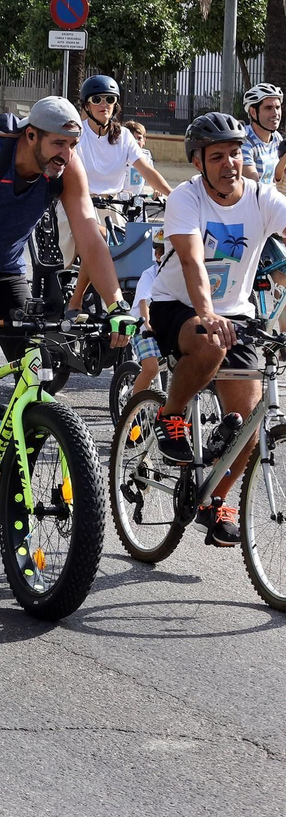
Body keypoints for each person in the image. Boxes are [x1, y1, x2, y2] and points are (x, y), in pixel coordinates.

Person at [0, 96, 134, 477]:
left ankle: (14, 477)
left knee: (37, 362)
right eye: (58, 144)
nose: (66, 155)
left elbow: (89, 237)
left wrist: (116, 305)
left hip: (3, 266)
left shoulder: (66, 169)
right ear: (30, 135)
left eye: (72, 146)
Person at [140, 113, 286, 547]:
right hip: (178, 306)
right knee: (207, 344)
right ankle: (170, 415)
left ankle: (213, 500)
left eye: (236, 153)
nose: (230, 163)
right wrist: (206, 313)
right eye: (218, 156)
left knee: (250, 425)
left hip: (236, 314)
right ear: (199, 162)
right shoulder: (186, 198)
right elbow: (191, 262)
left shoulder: (263, 198)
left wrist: (223, 316)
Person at [64, 75, 174, 312]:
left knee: (140, 243)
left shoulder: (123, 136)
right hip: (78, 205)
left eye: (110, 99)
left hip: (113, 208)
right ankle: (76, 299)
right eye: (97, 99)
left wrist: (172, 195)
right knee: (100, 239)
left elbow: (147, 171)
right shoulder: (77, 135)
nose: (104, 104)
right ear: (85, 105)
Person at [127, 229, 165, 398]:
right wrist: (148, 325)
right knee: (151, 368)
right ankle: (133, 409)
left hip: (165, 325)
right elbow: (144, 302)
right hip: (142, 326)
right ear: (158, 256)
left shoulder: (180, 273)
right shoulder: (150, 274)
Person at [239, 83, 283, 185]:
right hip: (255, 199)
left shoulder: (277, 138)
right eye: (268, 108)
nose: (275, 113)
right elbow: (253, 184)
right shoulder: (244, 141)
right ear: (253, 112)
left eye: (277, 107)